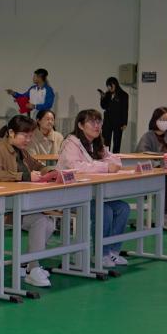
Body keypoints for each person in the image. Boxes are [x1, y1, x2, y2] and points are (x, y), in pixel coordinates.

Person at [0, 115, 56, 288]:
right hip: (0, 207)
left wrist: (50, 171)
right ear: (11, 133)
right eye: (25, 135)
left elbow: (37, 165)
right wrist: (23, 176)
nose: (28, 140)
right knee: (40, 221)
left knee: (49, 224)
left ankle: (26, 264)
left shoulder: (22, 151)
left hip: (19, 205)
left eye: (30, 136)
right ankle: (33, 268)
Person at [57, 108, 132, 268]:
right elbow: (75, 167)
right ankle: (101, 253)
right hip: (70, 195)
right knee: (104, 211)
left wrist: (106, 165)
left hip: (93, 194)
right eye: (92, 122)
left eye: (99, 122)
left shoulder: (97, 143)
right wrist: (104, 167)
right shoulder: (71, 143)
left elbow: (115, 161)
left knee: (123, 208)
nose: (97, 125)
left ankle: (113, 251)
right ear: (80, 125)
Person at [100, 76, 130, 153]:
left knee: (117, 142)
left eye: (110, 86)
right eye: (108, 86)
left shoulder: (124, 95)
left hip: (118, 121)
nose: (109, 88)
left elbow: (125, 109)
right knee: (106, 141)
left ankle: (115, 157)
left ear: (115, 84)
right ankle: (106, 156)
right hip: (107, 121)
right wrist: (102, 98)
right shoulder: (107, 94)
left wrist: (124, 123)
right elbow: (103, 106)